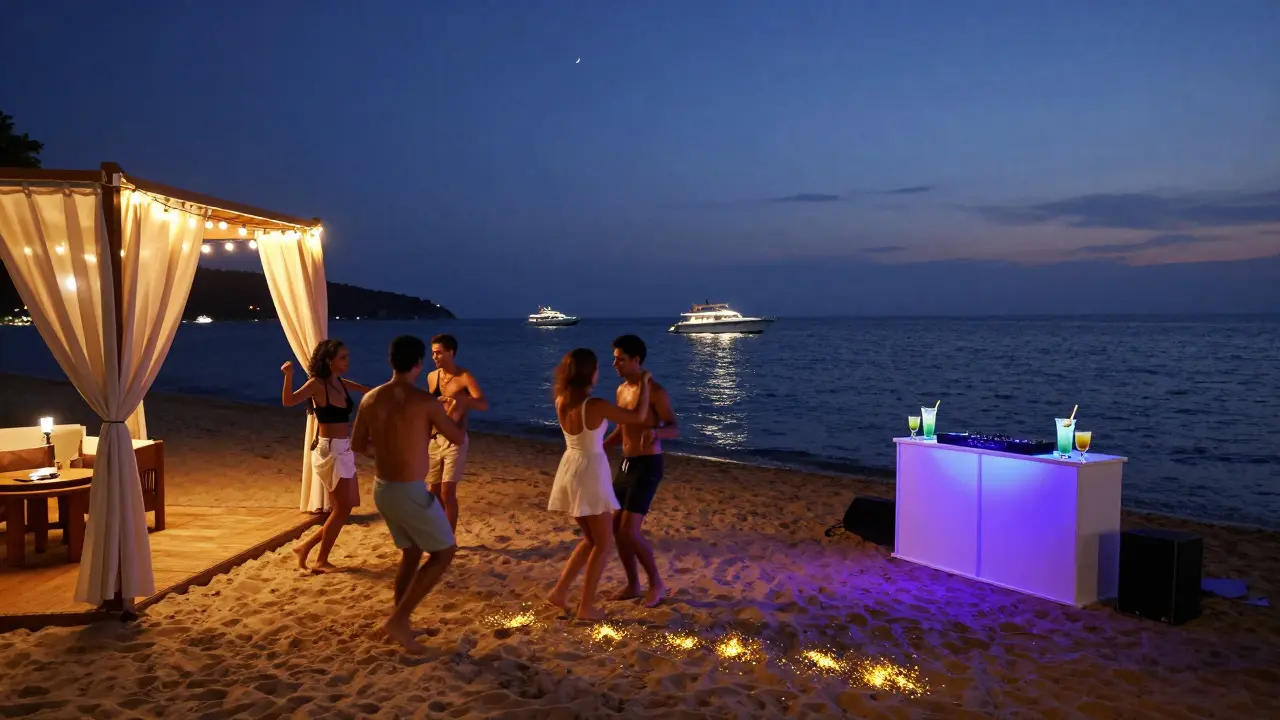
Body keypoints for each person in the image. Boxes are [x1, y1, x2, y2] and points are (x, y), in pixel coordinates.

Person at [350, 335, 466, 653]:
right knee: (444, 553)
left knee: (413, 553)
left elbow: (359, 444)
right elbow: (455, 437)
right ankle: (399, 620)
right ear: (418, 363)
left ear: (391, 361)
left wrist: (387, 453)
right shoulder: (424, 401)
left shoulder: (371, 398)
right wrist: (457, 407)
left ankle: (402, 622)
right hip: (409, 492)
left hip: (383, 489)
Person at [546, 348, 651, 621]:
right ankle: (586, 607)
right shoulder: (594, 405)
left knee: (591, 539)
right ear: (590, 373)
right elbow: (638, 417)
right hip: (590, 470)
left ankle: (560, 591)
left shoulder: (561, 401)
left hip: (571, 465)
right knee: (603, 543)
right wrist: (646, 386)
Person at [280, 340, 372, 573]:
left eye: (347, 356)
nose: (347, 361)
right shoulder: (316, 384)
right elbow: (289, 401)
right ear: (329, 361)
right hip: (329, 450)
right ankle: (319, 559)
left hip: (343, 448)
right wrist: (289, 374)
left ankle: (306, 548)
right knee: (343, 508)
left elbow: (364, 390)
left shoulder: (340, 383)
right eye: (343, 357)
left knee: (345, 506)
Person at [604, 334, 678, 607]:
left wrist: (656, 432)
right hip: (626, 463)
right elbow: (621, 428)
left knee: (629, 530)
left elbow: (674, 426)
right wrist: (598, 449)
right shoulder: (621, 390)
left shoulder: (656, 392)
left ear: (636, 360)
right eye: (614, 359)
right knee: (615, 528)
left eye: (620, 359)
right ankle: (633, 584)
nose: (615, 364)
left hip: (648, 464)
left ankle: (656, 583)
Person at [425, 334, 489, 533]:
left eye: (438, 353)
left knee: (447, 492)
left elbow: (483, 404)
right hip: (434, 439)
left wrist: (463, 400)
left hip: (455, 439)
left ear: (451, 352)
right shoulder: (431, 376)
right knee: (433, 492)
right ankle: (439, 532)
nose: (434, 357)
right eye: (433, 353)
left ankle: (449, 540)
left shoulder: (464, 377)